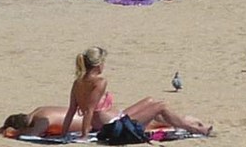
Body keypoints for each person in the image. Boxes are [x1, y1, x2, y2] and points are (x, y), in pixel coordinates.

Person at [65, 46, 214, 141]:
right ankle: (195, 129)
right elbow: (89, 110)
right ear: (99, 64)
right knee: (161, 106)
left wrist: (63, 134)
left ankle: (182, 123)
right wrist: (84, 136)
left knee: (150, 101)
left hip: (114, 120)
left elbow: (72, 110)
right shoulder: (99, 82)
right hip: (115, 126)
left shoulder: (78, 82)